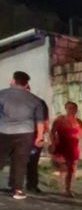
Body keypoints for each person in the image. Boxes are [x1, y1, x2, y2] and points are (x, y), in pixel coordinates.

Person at [0, 71, 47, 200]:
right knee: (20, 161)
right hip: (25, 134)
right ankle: (18, 190)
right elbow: (40, 121)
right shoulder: (35, 99)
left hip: (4, 131)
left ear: (14, 81)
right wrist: (40, 137)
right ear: (26, 84)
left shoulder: (2, 94)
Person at [50, 102, 82, 197]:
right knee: (63, 168)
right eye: (69, 108)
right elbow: (52, 132)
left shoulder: (78, 122)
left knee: (71, 169)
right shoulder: (60, 120)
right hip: (62, 146)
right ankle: (63, 186)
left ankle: (67, 189)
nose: (71, 110)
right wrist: (53, 143)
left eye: (73, 108)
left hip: (73, 148)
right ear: (65, 108)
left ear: (76, 110)